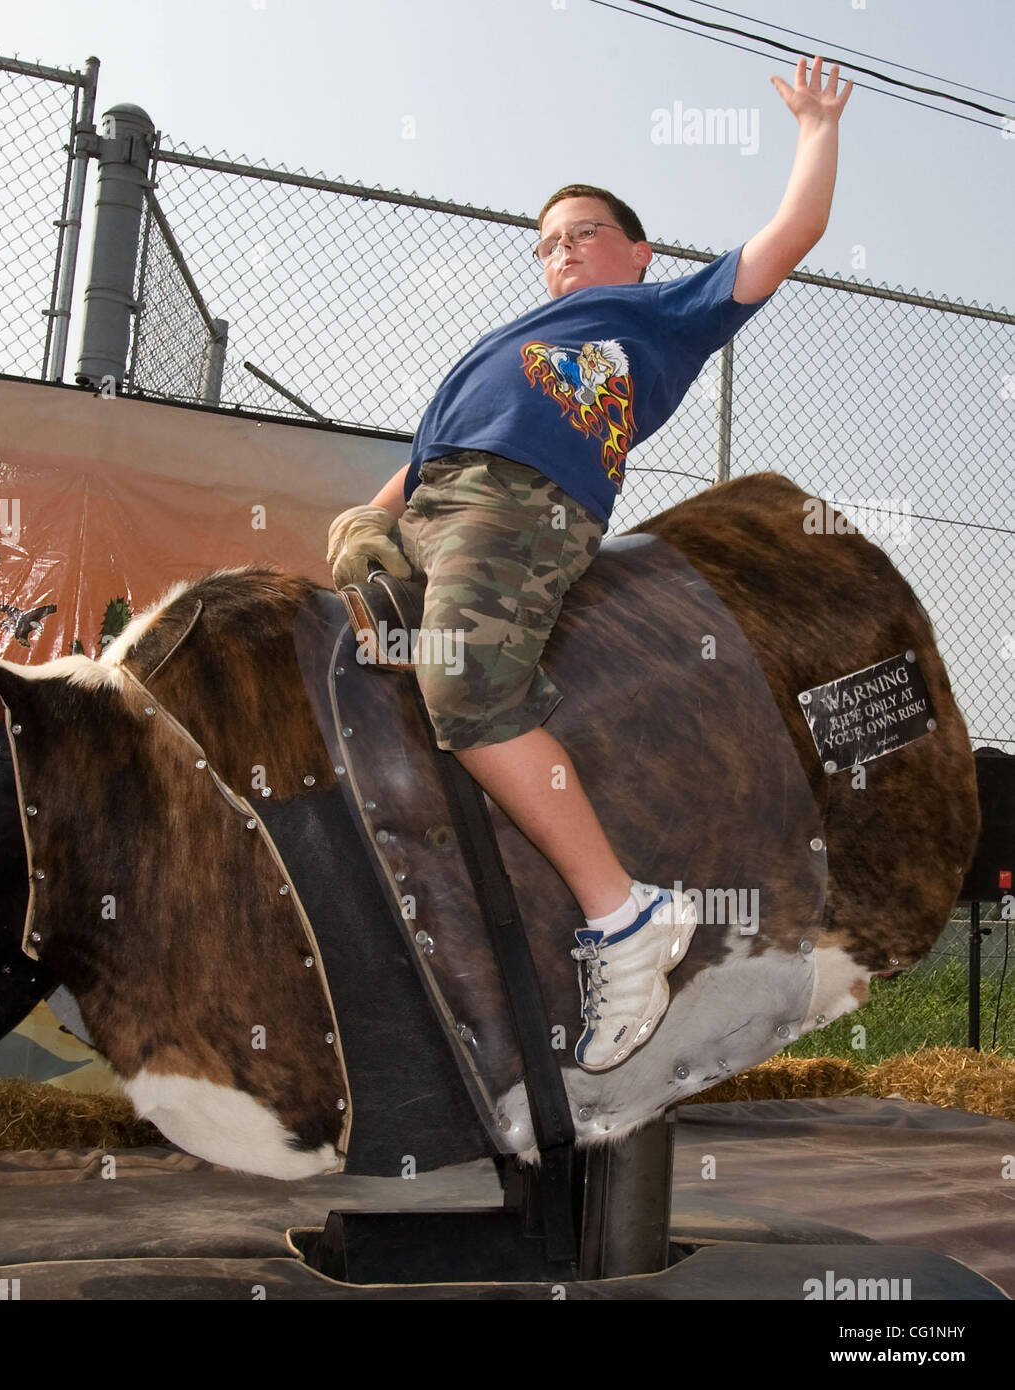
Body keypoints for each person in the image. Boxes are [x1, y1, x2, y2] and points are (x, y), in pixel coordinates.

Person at [327, 58, 853, 1073]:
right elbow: (423, 458)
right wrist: (362, 524)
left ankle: (623, 917)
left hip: (521, 497)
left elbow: (788, 238)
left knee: (466, 684)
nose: (562, 254)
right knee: (366, 669)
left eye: (583, 234)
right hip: (431, 501)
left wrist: (814, 130)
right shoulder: (498, 342)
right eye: (547, 246)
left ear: (635, 253)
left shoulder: (656, 314)